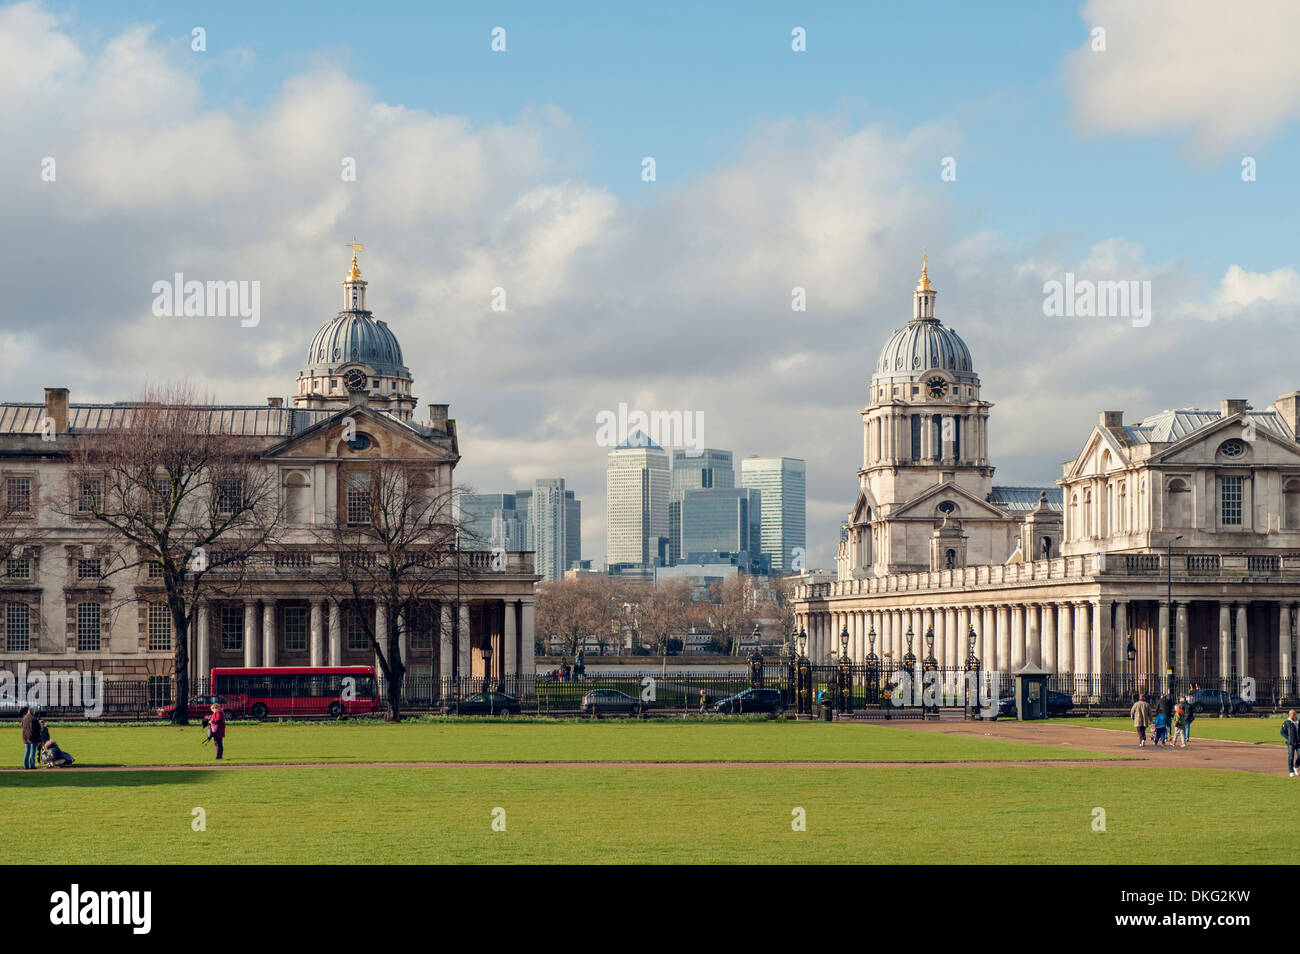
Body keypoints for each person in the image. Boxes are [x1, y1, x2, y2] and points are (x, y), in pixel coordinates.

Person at [1282, 710, 1300, 776]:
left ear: (1296, 714)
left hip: (1299, 742)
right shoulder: (1286, 722)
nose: (1291, 715)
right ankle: (1291, 771)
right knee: (1291, 757)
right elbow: (1282, 732)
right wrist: (1288, 738)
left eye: (1293, 714)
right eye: (1290, 714)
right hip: (1291, 742)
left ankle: (1296, 766)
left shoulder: (1299, 721)